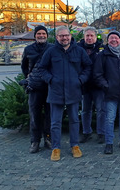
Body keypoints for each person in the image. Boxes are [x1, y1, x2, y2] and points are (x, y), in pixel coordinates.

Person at [38, 26, 92, 161]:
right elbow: (42, 68)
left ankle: (75, 146)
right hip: (56, 92)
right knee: (55, 122)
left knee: (74, 120)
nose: (64, 38)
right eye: (61, 36)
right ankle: (56, 148)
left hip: (74, 91)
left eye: (66, 35)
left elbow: (88, 67)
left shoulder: (79, 51)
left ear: (70, 36)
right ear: (57, 37)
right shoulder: (51, 51)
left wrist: (80, 80)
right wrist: (50, 79)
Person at [21, 25, 53, 153]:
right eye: (39, 34)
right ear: (35, 36)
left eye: (43, 34)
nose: (41, 36)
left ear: (47, 35)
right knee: (34, 115)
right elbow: (24, 67)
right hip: (34, 87)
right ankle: (35, 141)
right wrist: (29, 77)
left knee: (50, 115)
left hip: (49, 87)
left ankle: (48, 138)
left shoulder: (52, 48)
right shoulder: (28, 49)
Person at [78, 27, 105, 144]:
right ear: (84, 37)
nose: (89, 38)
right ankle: (86, 132)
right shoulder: (78, 48)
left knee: (101, 110)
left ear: (95, 37)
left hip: (98, 85)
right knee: (85, 111)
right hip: (84, 85)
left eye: (91, 36)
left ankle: (101, 133)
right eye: (87, 36)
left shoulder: (102, 49)